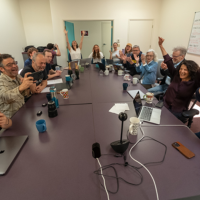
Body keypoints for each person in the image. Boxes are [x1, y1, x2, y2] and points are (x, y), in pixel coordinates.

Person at [158, 37, 200, 122]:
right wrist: (160, 45)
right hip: (164, 105)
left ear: (191, 71)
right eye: (181, 69)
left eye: (185, 70)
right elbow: (168, 60)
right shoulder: (176, 75)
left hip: (177, 112)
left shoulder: (194, 82)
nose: (182, 71)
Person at [0, 54, 34, 118]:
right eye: (9, 65)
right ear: (2, 69)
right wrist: (22, 87)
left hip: (23, 112)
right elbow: (6, 97)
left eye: (14, 63)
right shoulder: (1, 81)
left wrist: (28, 85)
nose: (14, 66)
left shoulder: (17, 76)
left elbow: (24, 94)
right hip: (10, 119)